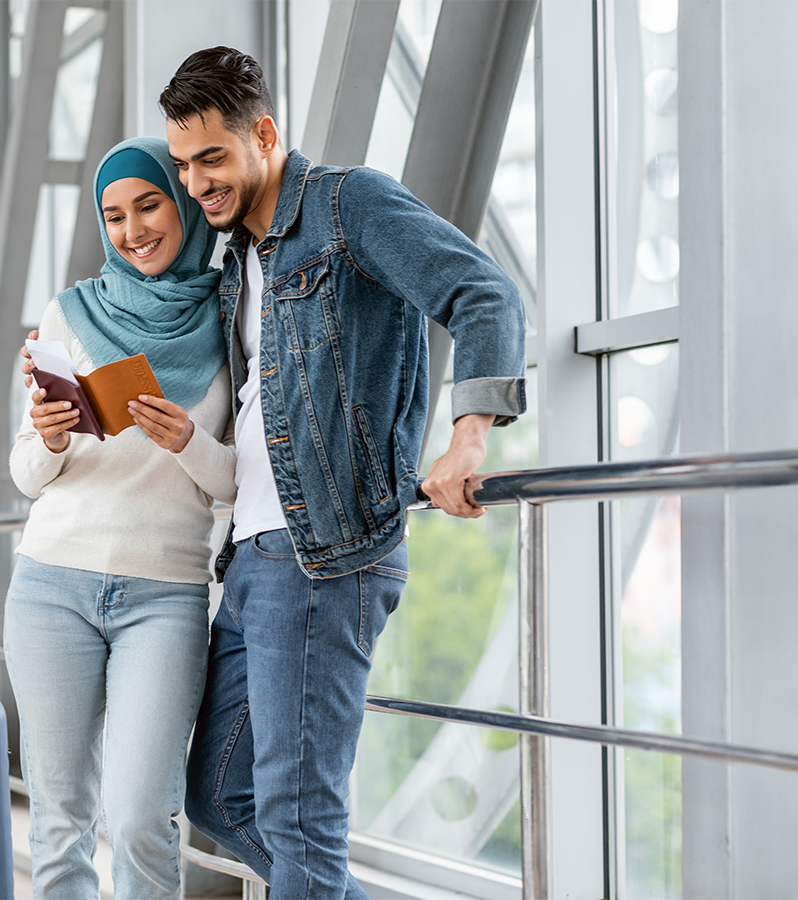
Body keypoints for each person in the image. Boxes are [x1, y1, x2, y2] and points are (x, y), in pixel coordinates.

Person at [160, 48, 529, 898]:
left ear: (264, 134)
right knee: (217, 794)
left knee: (298, 818)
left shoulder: (345, 205)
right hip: (251, 558)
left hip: (325, 557)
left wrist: (468, 439)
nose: (195, 182)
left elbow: (485, 295)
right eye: (183, 164)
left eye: (211, 157)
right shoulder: (236, 263)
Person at [2, 135, 235, 899]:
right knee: (60, 821)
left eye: (148, 204)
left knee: (139, 816)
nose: (133, 229)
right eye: (115, 214)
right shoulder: (68, 312)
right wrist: (48, 438)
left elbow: (240, 484)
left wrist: (189, 441)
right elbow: (26, 476)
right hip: (51, 585)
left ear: (183, 205)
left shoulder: (233, 320)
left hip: (163, 596)